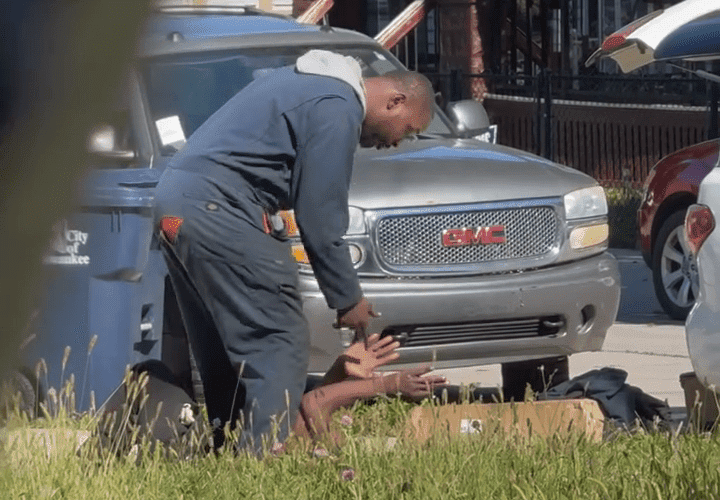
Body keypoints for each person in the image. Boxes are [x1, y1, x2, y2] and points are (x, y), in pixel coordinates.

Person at [154, 49, 436, 452]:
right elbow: (319, 214)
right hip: (218, 208)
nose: (392, 143)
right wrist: (348, 298)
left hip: (179, 205)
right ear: (395, 101)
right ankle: (263, 463)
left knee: (222, 346)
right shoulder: (338, 106)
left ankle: (226, 452)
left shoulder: (307, 84)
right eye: (405, 130)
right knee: (278, 339)